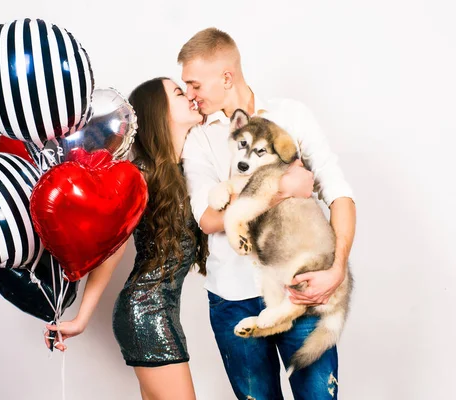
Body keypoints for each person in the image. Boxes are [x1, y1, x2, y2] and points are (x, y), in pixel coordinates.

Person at [179, 28, 356, 400]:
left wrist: (337, 269)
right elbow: (207, 219)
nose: (191, 97)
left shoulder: (291, 115)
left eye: (195, 85)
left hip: (302, 289)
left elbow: (340, 194)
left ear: (226, 77)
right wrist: (281, 190)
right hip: (232, 299)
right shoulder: (198, 140)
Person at [44, 77, 208, 400]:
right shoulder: (142, 174)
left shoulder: (191, 170)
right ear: (160, 111)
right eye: (178, 92)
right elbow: (114, 248)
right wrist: (82, 318)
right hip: (147, 313)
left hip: (161, 313)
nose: (189, 96)